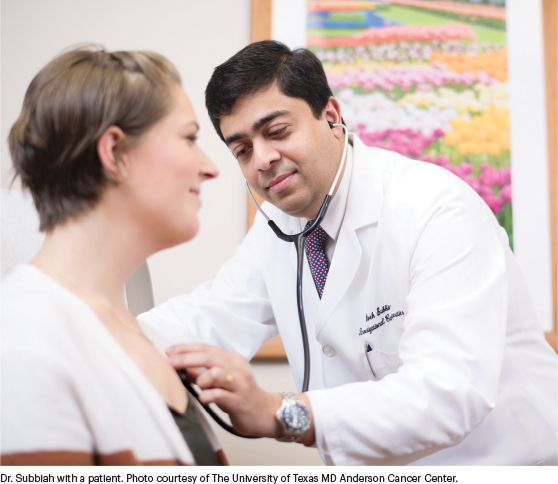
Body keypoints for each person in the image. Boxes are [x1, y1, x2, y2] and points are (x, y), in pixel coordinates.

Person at [139, 40, 558, 466]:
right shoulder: (277, 229)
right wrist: (106, 335)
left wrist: (278, 412)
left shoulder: (435, 208)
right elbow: (211, 316)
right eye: (242, 150)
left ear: (331, 116)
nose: (262, 159)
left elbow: (449, 393)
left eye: (278, 131)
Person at [0, 46, 225, 465]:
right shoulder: (22, 342)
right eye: (189, 138)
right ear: (115, 153)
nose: (211, 167)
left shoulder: (145, 338)